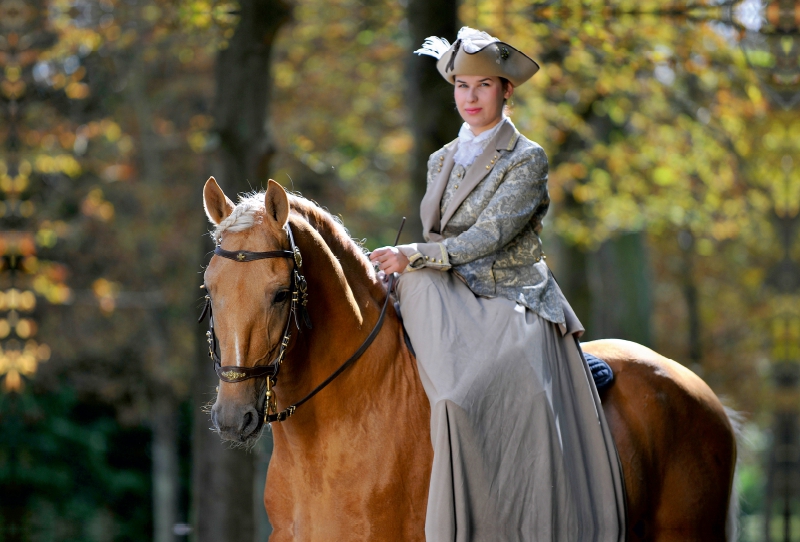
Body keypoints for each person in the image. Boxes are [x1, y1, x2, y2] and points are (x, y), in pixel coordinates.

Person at [369, 27, 626, 541]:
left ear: (506, 90)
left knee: (463, 394)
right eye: (462, 86)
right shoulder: (440, 158)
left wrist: (414, 255)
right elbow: (439, 229)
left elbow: (490, 236)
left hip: (508, 289)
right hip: (442, 282)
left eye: (483, 86)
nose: (470, 97)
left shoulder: (527, 158)